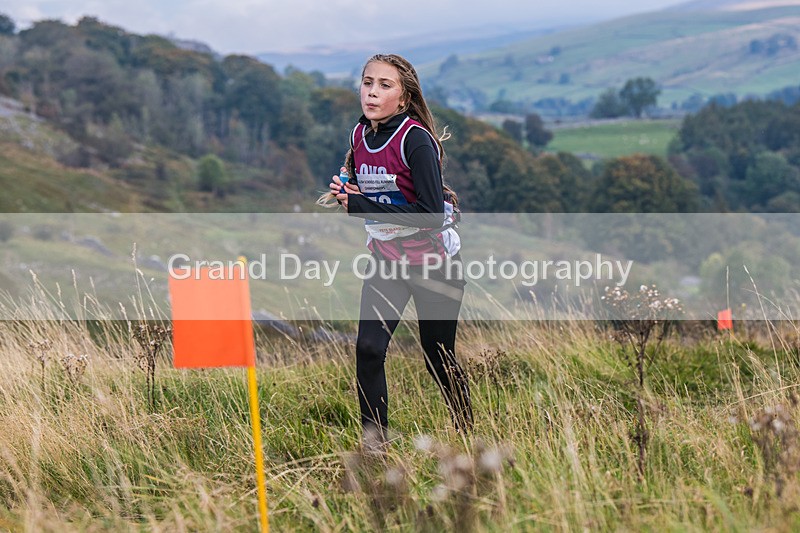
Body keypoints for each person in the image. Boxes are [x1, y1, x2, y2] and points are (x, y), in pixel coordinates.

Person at [324, 54, 473, 447]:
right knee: (369, 349)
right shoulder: (360, 134)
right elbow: (371, 188)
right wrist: (347, 189)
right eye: (367, 82)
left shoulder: (416, 140)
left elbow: (428, 215)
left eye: (384, 85)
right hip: (387, 262)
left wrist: (359, 205)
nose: (371, 92)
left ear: (404, 98)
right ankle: (375, 447)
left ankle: (467, 434)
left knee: (437, 357)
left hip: (435, 264)